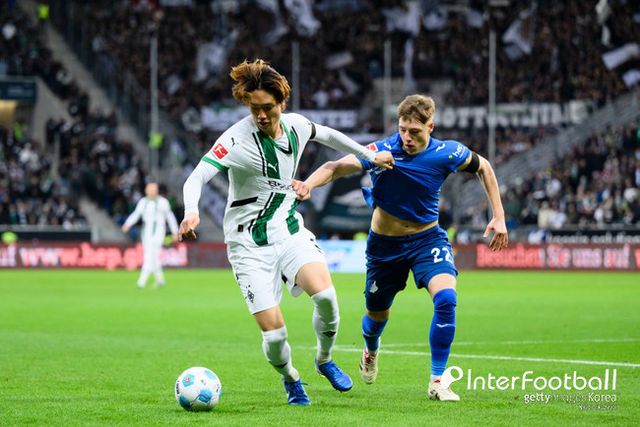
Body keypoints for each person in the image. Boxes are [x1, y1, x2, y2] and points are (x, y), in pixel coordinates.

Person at [179, 59, 394, 405]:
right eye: (254, 108)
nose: (261, 115)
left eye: (267, 107)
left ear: (282, 102)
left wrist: (369, 155)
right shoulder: (235, 139)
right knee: (275, 335)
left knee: (327, 298)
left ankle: (324, 359)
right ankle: (291, 378)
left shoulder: (297, 126)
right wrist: (191, 211)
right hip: (248, 245)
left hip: (288, 229)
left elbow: (330, 136)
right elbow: (197, 176)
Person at [294, 94, 508, 401]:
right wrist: (308, 185)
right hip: (385, 247)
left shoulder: (447, 152)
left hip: (427, 239)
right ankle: (371, 348)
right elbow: (335, 166)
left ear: (430, 127)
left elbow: (483, 166)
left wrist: (499, 216)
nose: (407, 137)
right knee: (376, 317)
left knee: (446, 299)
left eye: (415, 131)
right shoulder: (381, 151)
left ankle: (438, 381)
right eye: (402, 129)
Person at [122, 182, 179, 288]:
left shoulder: (163, 202)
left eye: (154, 189)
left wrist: (175, 232)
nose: (152, 192)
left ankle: (141, 282)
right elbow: (136, 214)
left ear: (157, 191)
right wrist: (127, 224)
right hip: (146, 232)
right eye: (150, 189)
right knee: (153, 256)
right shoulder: (143, 202)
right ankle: (160, 281)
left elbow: (170, 217)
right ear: (146, 191)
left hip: (159, 231)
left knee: (150, 255)